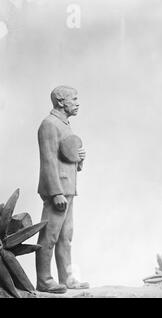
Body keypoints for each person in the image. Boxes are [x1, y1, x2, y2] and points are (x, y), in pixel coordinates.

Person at [36, 85, 89, 293]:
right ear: (60, 101)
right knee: (49, 237)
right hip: (57, 191)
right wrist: (56, 192)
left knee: (66, 237)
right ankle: (44, 280)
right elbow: (48, 161)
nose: (77, 103)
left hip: (68, 188)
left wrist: (79, 160)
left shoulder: (64, 124)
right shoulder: (49, 125)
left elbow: (65, 156)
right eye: (73, 99)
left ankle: (67, 278)